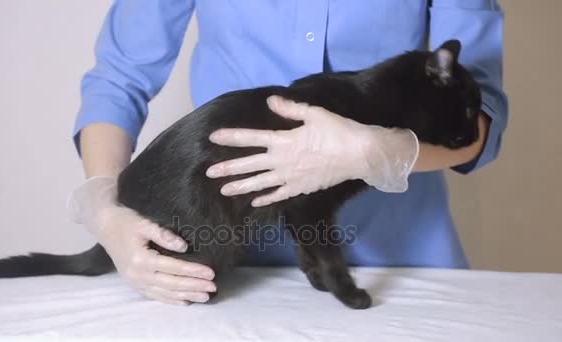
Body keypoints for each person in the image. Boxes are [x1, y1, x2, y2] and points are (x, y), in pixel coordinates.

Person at [70, 1, 508, 306]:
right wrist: (105, 202)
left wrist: (380, 152)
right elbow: (119, 78)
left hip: (400, 257)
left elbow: (477, 114)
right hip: (221, 256)